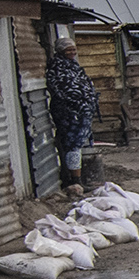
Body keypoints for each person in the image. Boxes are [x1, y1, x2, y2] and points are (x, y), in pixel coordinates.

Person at [43, 28, 98, 193]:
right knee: (72, 145)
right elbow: (61, 91)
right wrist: (78, 104)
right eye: (68, 50)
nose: (72, 52)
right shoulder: (57, 68)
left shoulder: (74, 66)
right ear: (60, 51)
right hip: (70, 114)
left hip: (81, 113)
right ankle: (75, 182)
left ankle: (77, 181)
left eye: (73, 49)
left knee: (76, 145)